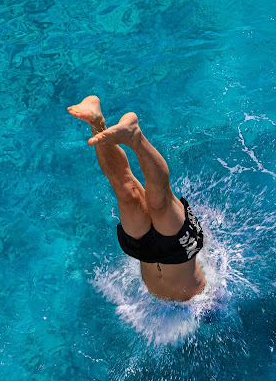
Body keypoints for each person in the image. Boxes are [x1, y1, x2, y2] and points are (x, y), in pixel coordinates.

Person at [68, 96, 206, 301]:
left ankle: (96, 122)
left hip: (143, 250)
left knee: (126, 192)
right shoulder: (207, 302)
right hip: (179, 254)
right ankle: (136, 138)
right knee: (160, 201)